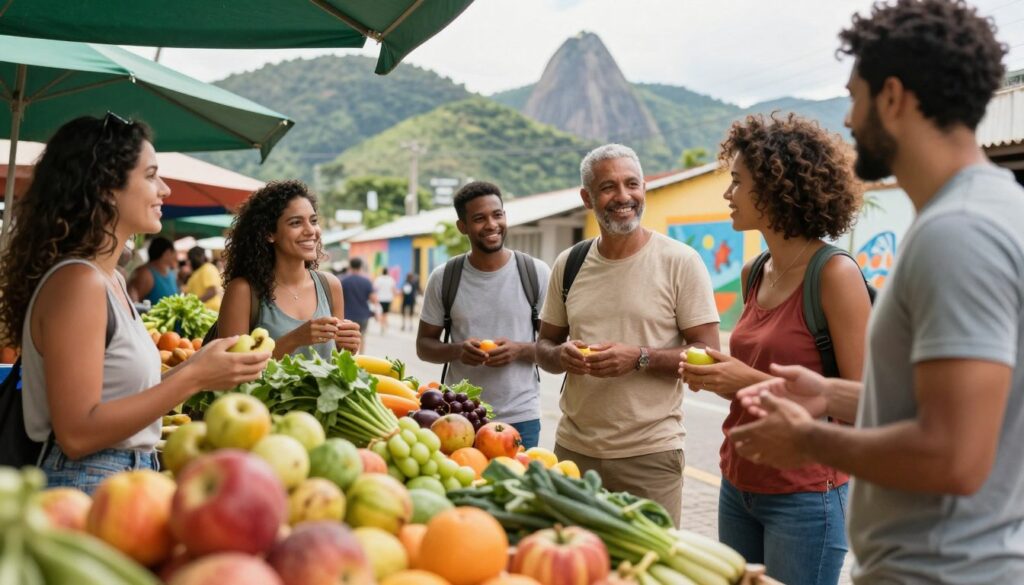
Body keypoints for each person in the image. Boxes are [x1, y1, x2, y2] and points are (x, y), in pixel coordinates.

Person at [728, 2, 1023, 583]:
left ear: (892, 97)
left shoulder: (955, 234)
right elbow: (941, 408)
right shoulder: (993, 209)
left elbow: (955, 457)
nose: (848, 118)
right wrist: (830, 392)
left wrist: (809, 440)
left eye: (855, 96)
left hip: (938, 569)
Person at [0, 115, 270, 494]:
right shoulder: (78, 283)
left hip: (123, 477)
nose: (165, 189)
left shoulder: (108, 278)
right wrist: (196, 376)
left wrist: (200, 366)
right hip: (85, 482)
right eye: (151, 175)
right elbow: (77, 432)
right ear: (107, 187)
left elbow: (121, 400)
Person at [678, 114, 869, 585]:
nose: (728, 194)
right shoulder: (753, 271)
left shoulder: (834, 275)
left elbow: (866, 400)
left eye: (737, 182)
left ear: (777, 187)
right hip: (737, 485)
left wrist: (744, 379)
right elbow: (758, 383)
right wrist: (720, 377)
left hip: (806, 494)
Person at [535, 144, 721, 524]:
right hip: (573, 452)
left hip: (650, 456)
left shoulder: (680, 262)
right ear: (587, 198)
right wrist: (560, 355)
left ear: (644, 190)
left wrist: (639, 357)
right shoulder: (568, 264)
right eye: (608, 187)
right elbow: (543, 349)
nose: (623, 197)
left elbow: (709, 355)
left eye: (631, 184)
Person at [417, 181, 551, 448]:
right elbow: (424, 346)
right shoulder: (444, 278)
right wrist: (458, 351)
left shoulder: (535, 273)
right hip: (460, 415)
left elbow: (554, 348)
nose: (491, 225)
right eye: (479, 218)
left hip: (520, 417)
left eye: (497, 215)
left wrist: (519, 349)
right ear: (463, 226)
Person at [218, 180, 361, 359]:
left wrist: (346, 347)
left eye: (314, 220)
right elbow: (228, 368)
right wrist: (295, 339)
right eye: (295, 223)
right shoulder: (243, 291)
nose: (311, 230)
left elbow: (333, 363)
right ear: (269, 234)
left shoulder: (330, 286)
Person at [128, 236, 178, 305]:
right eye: (174, 252)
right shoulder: (145, 274)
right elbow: (132, 303)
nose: (176, 256)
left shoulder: (171, 273)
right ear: (167, 253)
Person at [342, 257, 375, 354]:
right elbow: (373, 299)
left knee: (348, 340)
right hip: (363, 315)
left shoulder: (344, 281)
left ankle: (349, 360)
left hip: (348, 315)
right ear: (360, 266)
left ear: (350, 266)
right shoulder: (366, 281)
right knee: (362, 337)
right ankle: (361, 359)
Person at [184, 246, 223, 311]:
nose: (188, 262)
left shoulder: (208, 268)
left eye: (190, 259)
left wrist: (193, 304)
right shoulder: (197, 271)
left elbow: (212, 291)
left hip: (209, 312)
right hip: (200, 312)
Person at [373, 267, 398, 334]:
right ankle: (384, 324)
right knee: (385, 313)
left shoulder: (378, 279)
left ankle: (382, 325)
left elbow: (375, 289)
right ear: (387, 272)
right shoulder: (391, 279)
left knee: (381, 313)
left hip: (380, 298)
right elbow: (393, 289)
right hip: (388, 299)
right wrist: (395, 294)